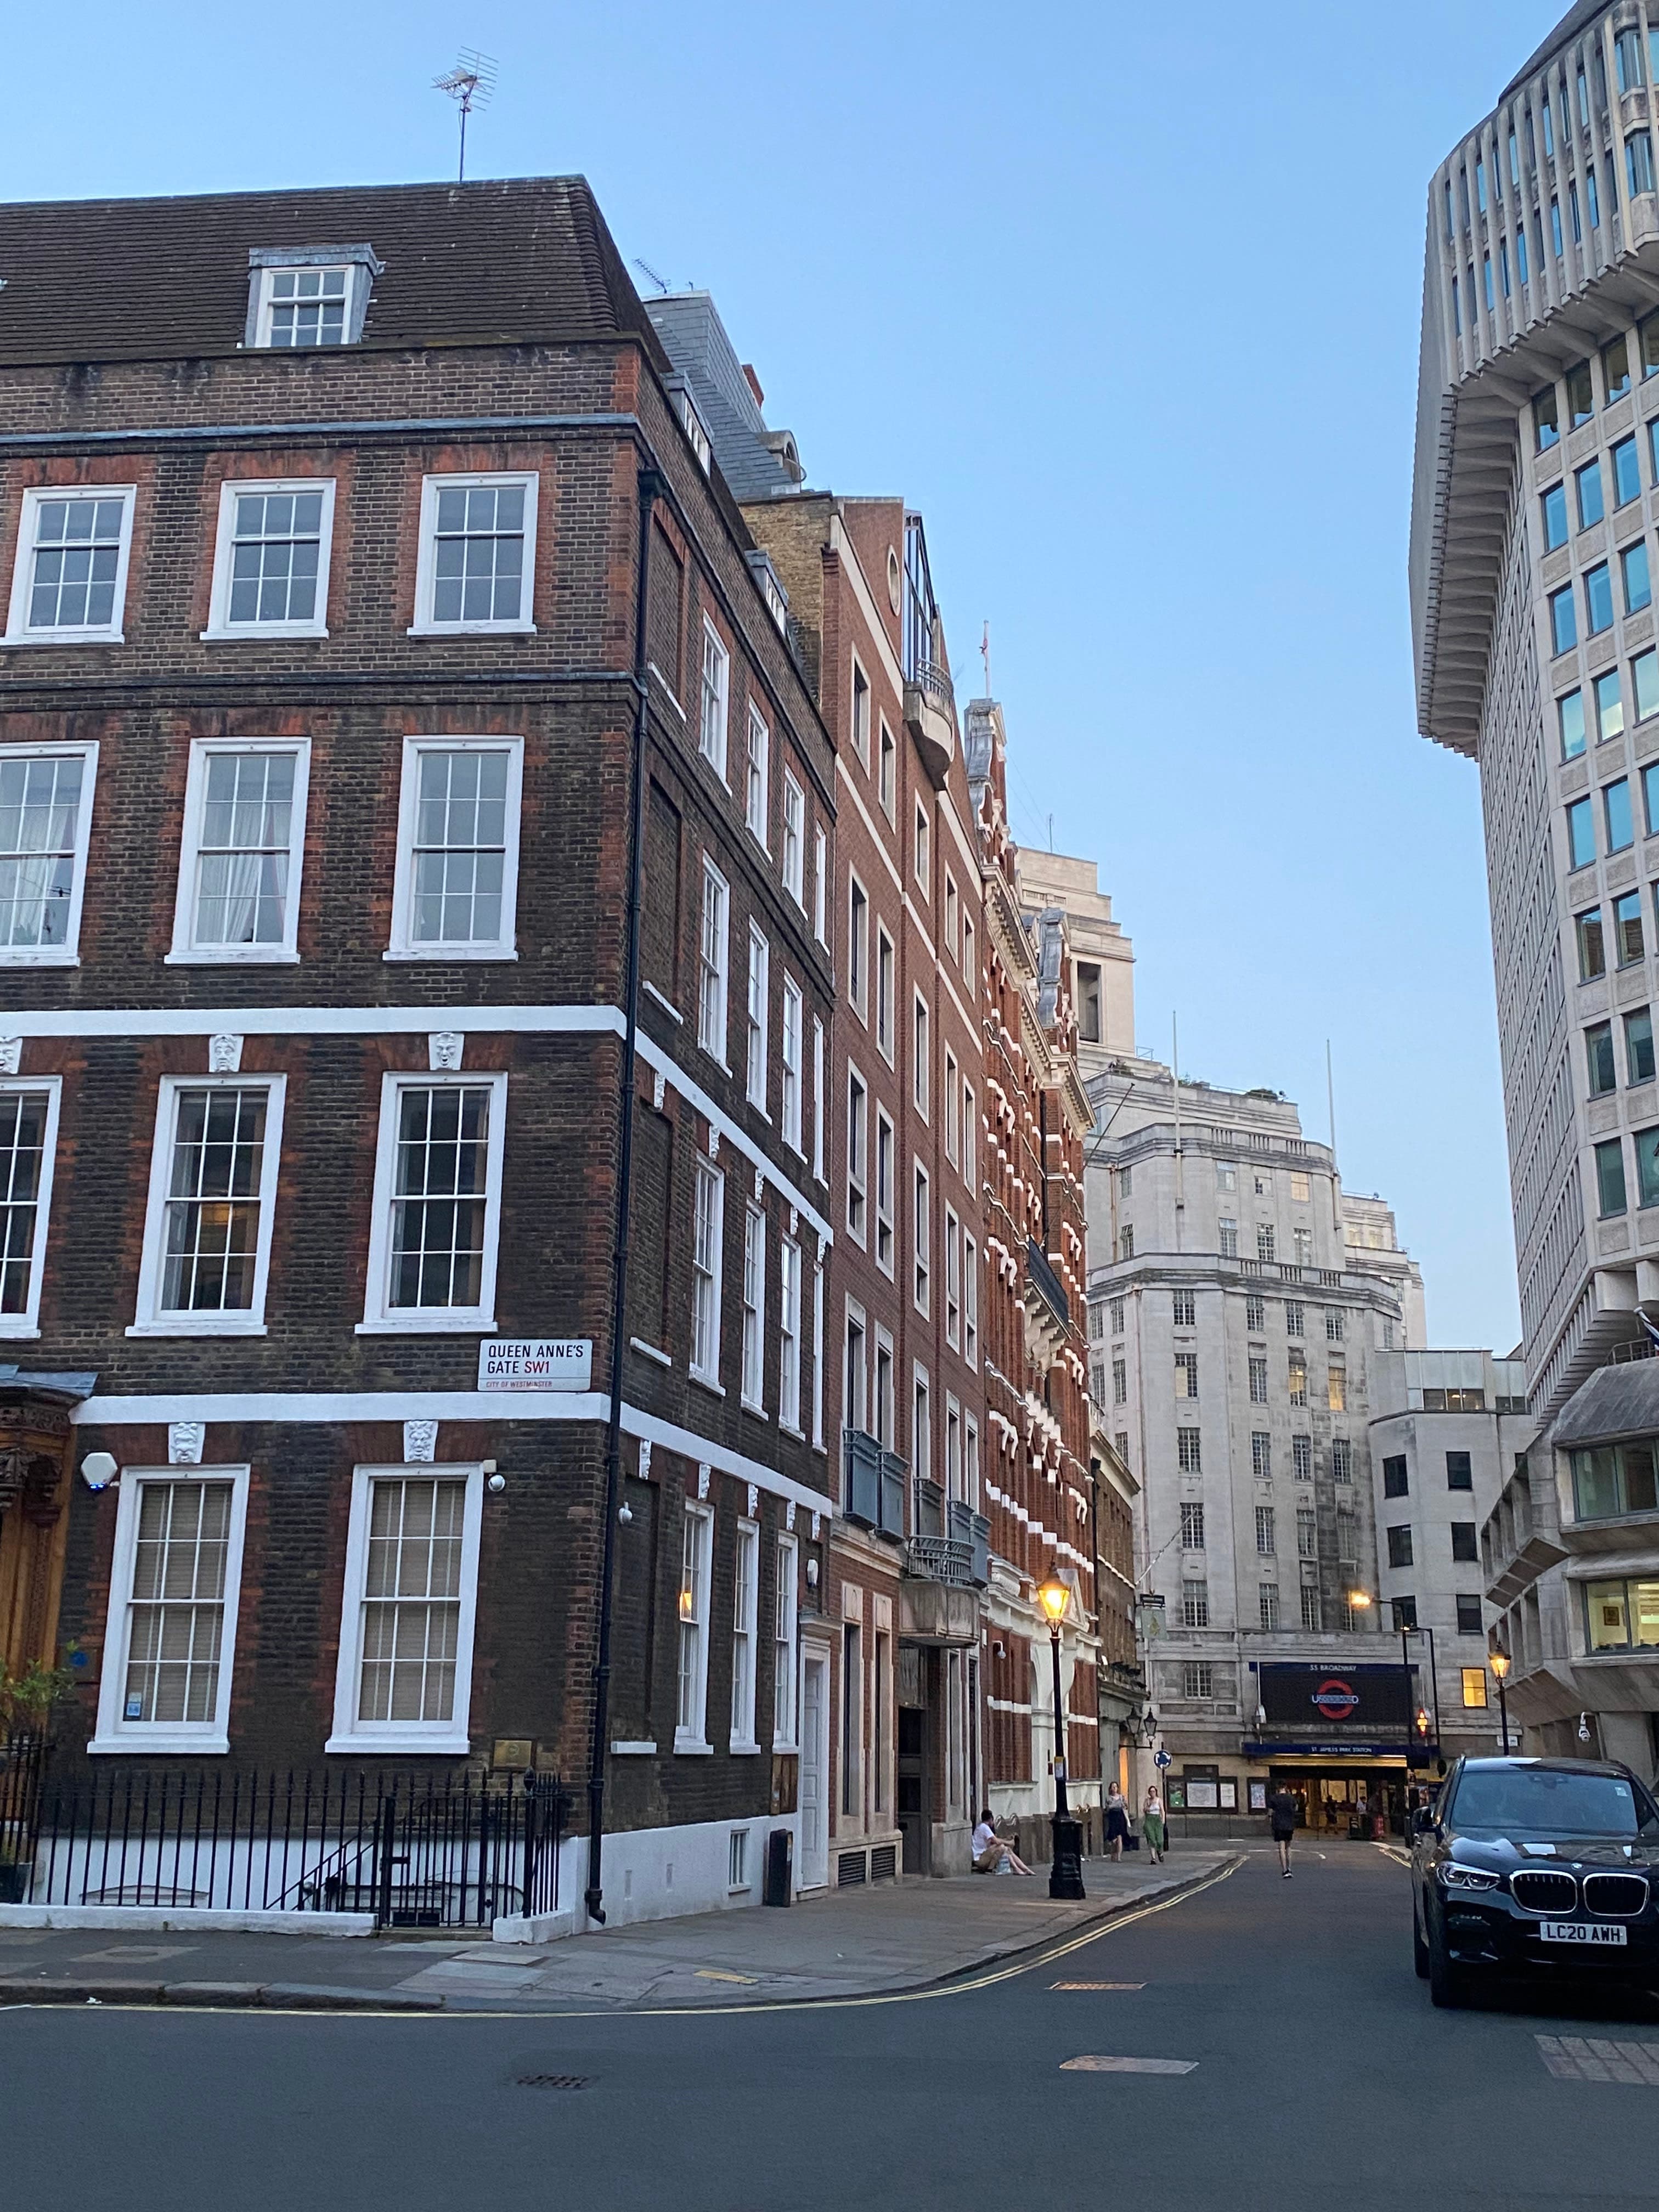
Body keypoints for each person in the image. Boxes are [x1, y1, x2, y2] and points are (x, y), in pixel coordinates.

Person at [971, 1808, 1032, 1876]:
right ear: (991, 1819)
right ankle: (990, 1869)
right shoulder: (984, 1827)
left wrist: (1006, 1839)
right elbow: (997, 1841)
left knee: (1007, 1849)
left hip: (982, 1856)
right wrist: (1010, 1843)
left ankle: (1021, 1869)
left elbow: (994, 1841)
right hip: (980, 1859)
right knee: (1002, 1848)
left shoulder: (980, 1827)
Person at [1268, 1781, 1299, 1877]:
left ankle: (1285, 1870)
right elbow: (1296, 1808)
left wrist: (1271, 1822)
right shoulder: (1291, 1798)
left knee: (1281, 1847)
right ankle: (1290, 1869)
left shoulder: (1274, 1798)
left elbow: (1270, 1812)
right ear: (1285, 1787)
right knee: (1288, 1846)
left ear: (1277, 1788)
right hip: (1289, 1824)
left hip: (1279, 1825)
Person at [1105, 1782, 1130, 1862]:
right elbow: (1107, 1809)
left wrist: (1125, 1805)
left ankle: (1119, 1857)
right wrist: (1110, 1807)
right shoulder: (1109, 1798)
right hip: (1112, 1817)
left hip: (1120, 1817)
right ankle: (1113, 1853)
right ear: (1111, 1789)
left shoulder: (1122, 1797)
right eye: (1113, 1787)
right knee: (1113, 1838)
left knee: (1120, 1837)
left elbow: (1126, 1806)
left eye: (1116, 1787)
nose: (1115, 1788)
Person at [1142, 1786, 1166, 1864]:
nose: (1152, 1793)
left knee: (1160, 1841)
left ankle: (1160, 1852)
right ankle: (1153, 1859)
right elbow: (1144, 1810)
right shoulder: (1147, 1801)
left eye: (1154, 1791)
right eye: (1151, 1792)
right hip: (1149, 1820)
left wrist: (1163, 1820)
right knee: (1152, 1840)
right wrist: (1149, 1806)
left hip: (1157, 1819)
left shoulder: (1159, 1800)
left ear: (1156, 1792)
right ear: (1149, 1793)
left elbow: (1162, 1810)